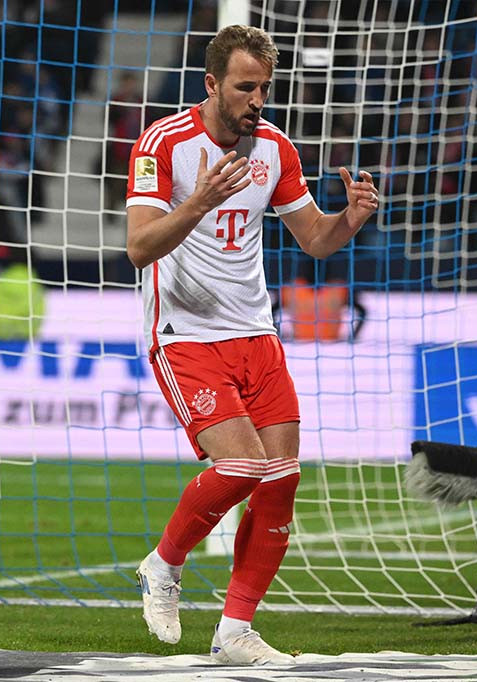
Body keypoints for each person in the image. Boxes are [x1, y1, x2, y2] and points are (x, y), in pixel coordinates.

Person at [125, 26, 378, 665]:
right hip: (185, 334)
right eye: (245, 87)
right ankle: (163, 564)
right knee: (241, 467)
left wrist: (349, 219)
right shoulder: (164, 145)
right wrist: (200, 202)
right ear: (211, 84)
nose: (257, 100)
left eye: (264, 87)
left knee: (281, 480)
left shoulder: (275, 147)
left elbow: (314, 240)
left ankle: (235, 631)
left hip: (257, 335)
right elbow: (138, 248)